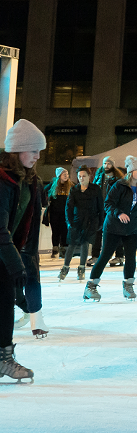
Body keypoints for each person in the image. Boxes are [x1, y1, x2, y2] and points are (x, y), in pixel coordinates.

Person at [2, 120, 47, 376]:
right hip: (4, 249)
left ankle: (3, 358)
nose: (37, 156)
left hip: (8, 250)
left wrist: (23, 257)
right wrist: (15, 261)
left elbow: (28, 223)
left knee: (6, 304)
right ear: (17, 150)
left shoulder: (30, 180)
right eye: (33, 151)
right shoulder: (3, 180)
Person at [84, 155, 137, 304]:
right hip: (113, 227)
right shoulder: (119, 185)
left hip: (131, 229)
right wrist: (119, 213)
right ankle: (90, 286)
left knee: (130, 257)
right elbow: (108, 204)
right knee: (105, 256)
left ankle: (128, 286)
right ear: (131, 171)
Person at [59, 167, 103, 282]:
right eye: (79, 176)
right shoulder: (74, 190)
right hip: (76, 220)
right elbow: (68, 207)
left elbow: (100, 206)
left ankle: (81, 268)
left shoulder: (95, 189)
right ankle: (65, 267)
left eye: (84, 176)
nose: (81, 178)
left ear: (89, 176)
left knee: (85, 243)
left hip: (90, 221)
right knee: (72, 244)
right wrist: (69, 222)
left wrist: (100, 222)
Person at [93, 156, 125, 264]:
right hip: (99, 209)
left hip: (112, 209)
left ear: (113, 165)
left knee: (116, 231)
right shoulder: (98, 177)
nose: (106, 166)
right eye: (105, 163)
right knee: (98, 232)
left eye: (109, 164)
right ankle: (95, 255)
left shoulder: (118, 179)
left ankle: (119, 255)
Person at [44, 167, 70, 259]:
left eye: (67, 174)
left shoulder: (70, 186)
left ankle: (64, 250)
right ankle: (55, 248)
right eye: (64, 174)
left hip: (66, 213)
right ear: (59, 175)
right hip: (55, 213)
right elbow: (44, 192)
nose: (66, 176)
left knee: (65, 231)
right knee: (55, 231)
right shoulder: (52, 186)